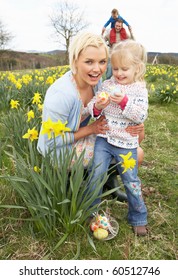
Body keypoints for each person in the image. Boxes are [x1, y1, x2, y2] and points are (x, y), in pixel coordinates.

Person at [37, 32, 144, 203]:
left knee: (135, 145)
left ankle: (108, 181)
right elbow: (51, 140)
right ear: (75, 61)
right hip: (57, 150)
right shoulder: (61, 94)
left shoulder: (96, 82)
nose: (97, 69)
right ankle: (70, 186)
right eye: (89, 62)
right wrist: (90, 129)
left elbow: (110, 109)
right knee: (130, 154)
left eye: (102, 62)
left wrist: (134, 124)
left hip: (82, 136)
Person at [87, 39, 149, 236]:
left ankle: (138, 217)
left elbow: (140, 116)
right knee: (96, 175)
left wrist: (124, 102)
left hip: (126, 144)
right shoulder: (106, 85)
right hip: (104, 140)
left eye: (124, 69)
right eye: (115, 69)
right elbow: (92, 108)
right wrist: (98, 107)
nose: (119, 73)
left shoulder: (139, 90)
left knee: (131, 180)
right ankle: (93, 212)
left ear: (137, 68)